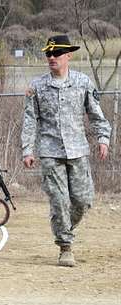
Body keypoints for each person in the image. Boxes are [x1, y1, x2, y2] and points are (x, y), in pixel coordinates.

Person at [21, 34, 113, 267]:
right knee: (59, 201)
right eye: (48, 54)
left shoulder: (83, 82)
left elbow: (96, 114)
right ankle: (65, 247)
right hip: (50, 152)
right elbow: (30, 120)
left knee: (83, 201)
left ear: (68, 56)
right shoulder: (37, 87)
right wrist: (27, 150)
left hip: (78, 150)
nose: (51, 57)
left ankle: (62, 227)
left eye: (56, 53)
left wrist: (103, 138)